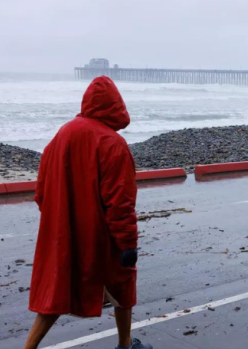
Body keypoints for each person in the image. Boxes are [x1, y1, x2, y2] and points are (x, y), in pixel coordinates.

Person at [23, 76, 152, 349]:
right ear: (116, 104)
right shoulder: (113, 143)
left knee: (57, 290)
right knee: (123, 284)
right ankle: (125, 345)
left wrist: (60, 219)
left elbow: (42, 192)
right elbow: (120, 202)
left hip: (64, 232)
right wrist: (128, 243)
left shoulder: (63, 134)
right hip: (99, 236)